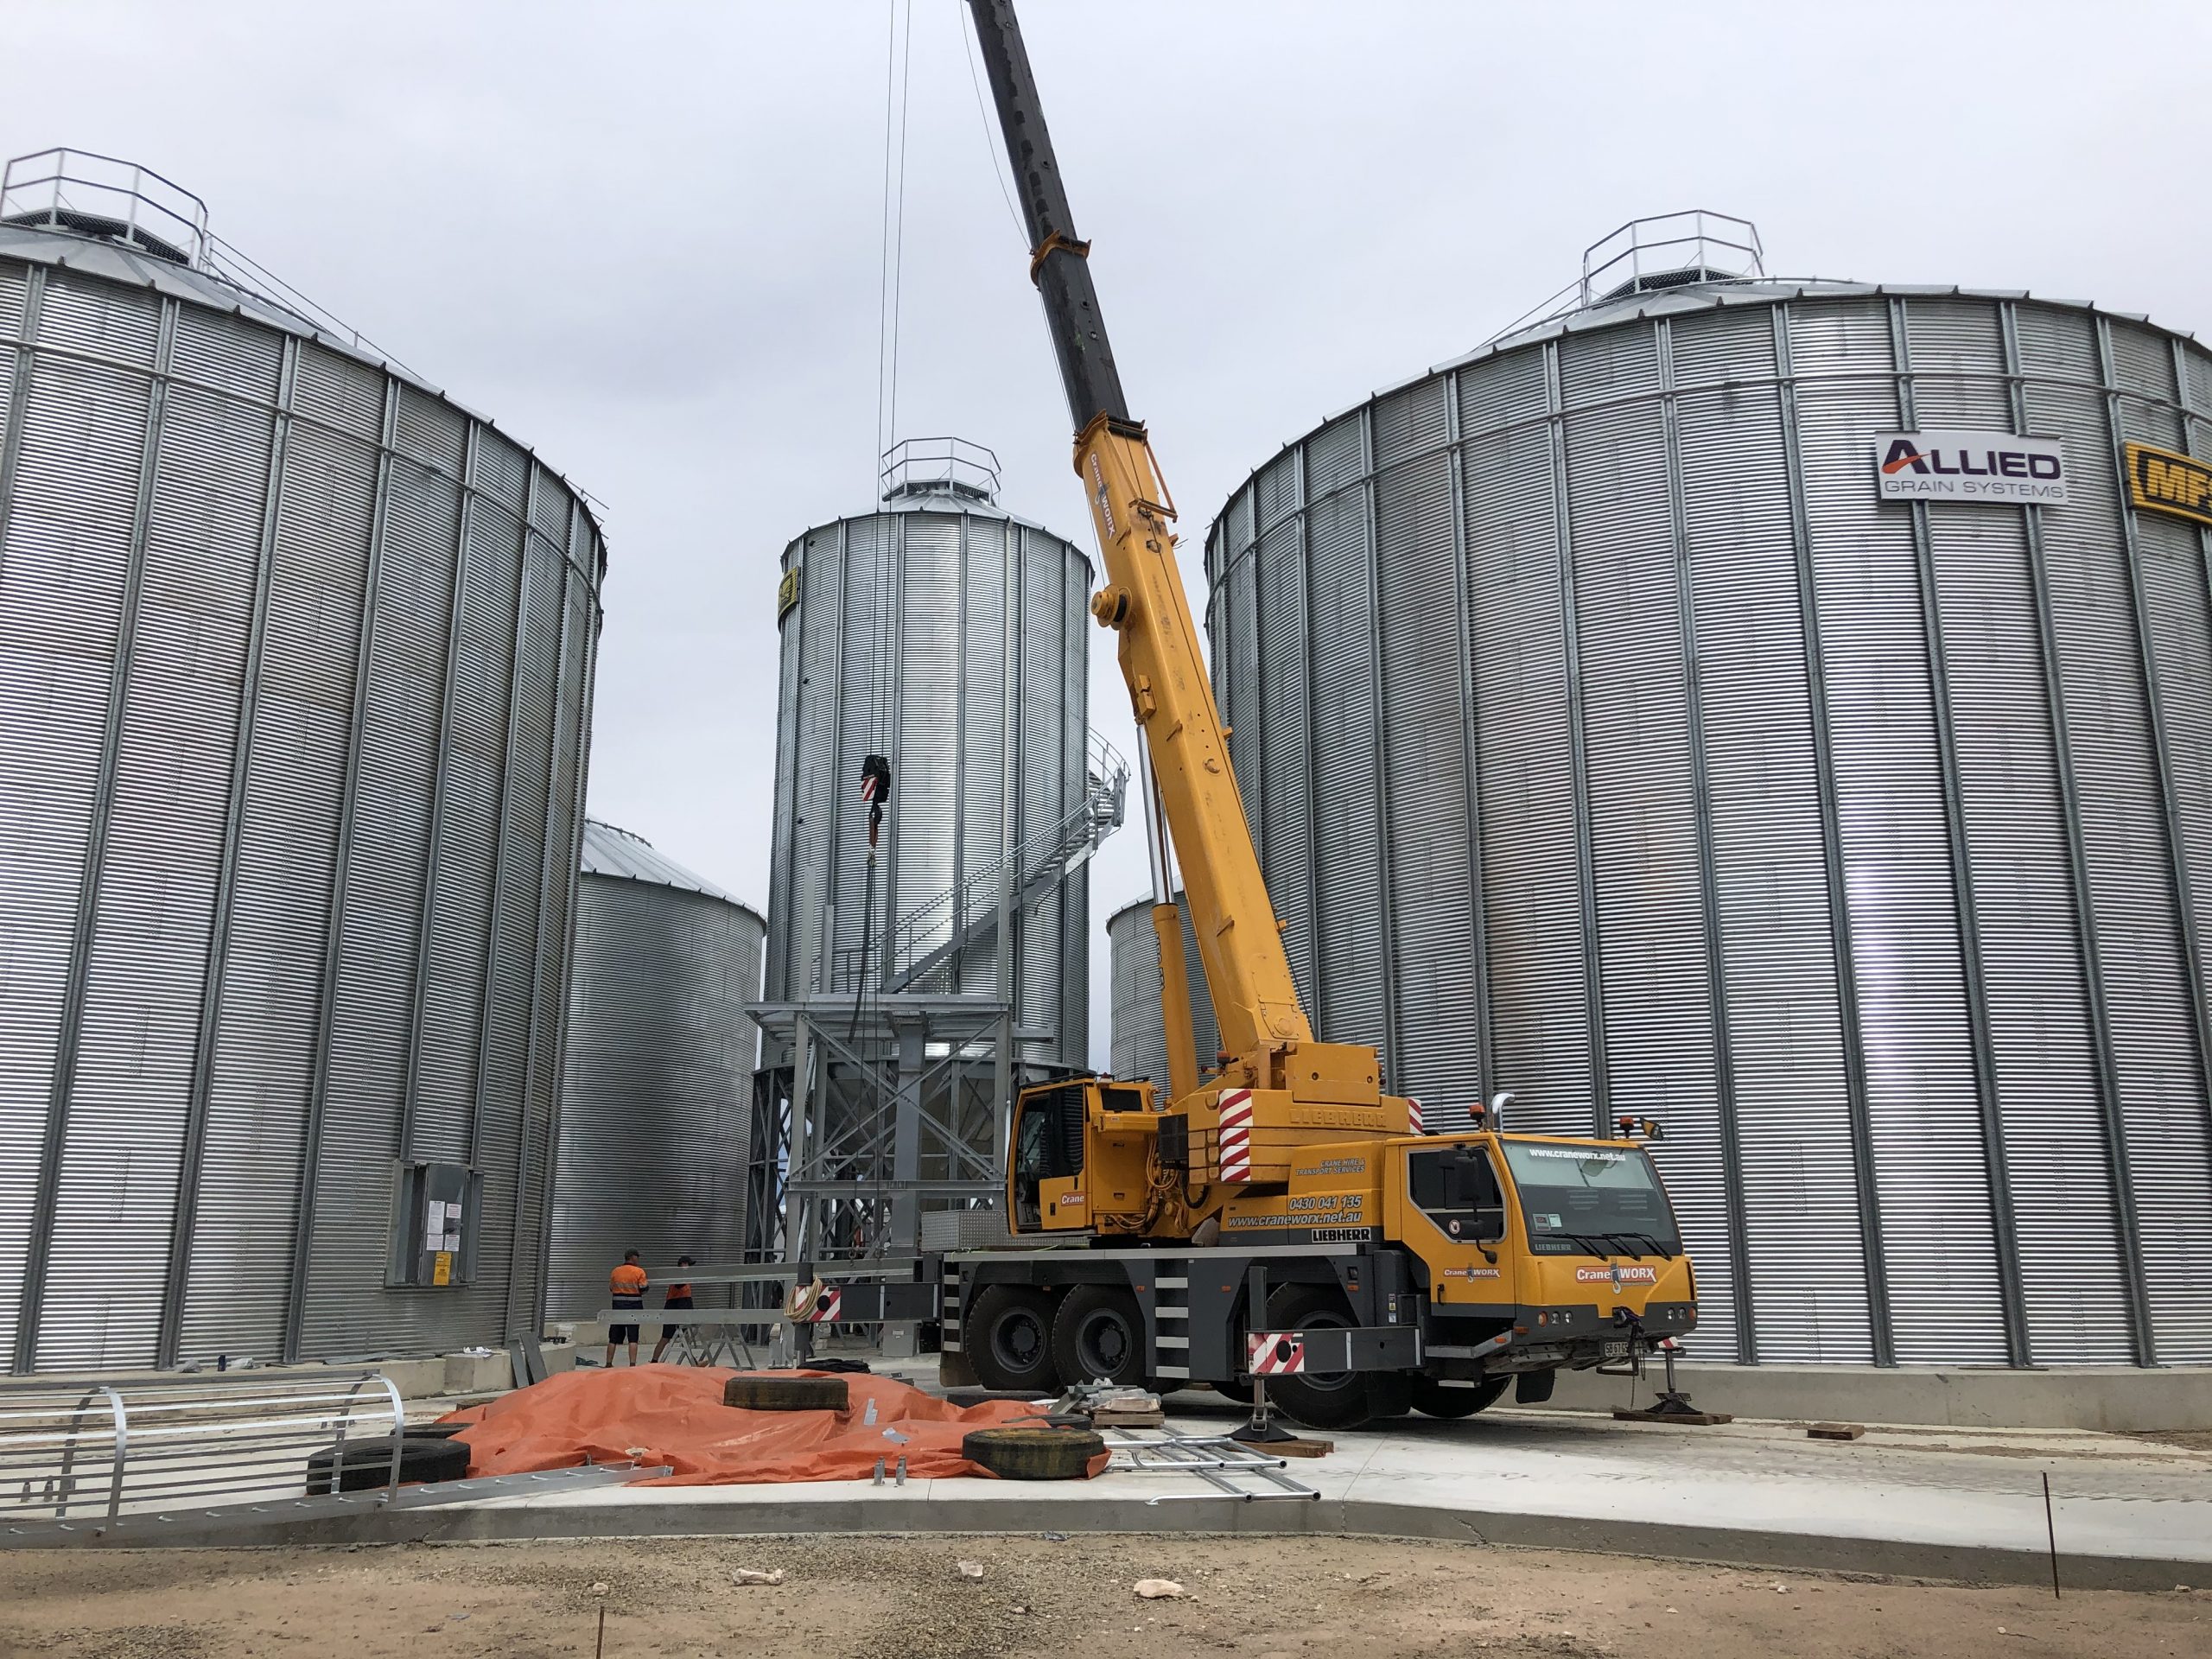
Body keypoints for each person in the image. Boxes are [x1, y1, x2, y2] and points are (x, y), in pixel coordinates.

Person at [650, 1255, 697, 1363]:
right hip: (674, 1309)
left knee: (684, 1337)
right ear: (683, 1264)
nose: (690, 1268)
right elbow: (679, 1285)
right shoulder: (678, 1276)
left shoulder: (684, 1277)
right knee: (666, 1338)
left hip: (680, 1309)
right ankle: (654, 1361)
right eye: (689, 1265)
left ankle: (694, 1361)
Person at [605, 1249, 647, 1369]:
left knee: (613, 1337)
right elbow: (644, 1288)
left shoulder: (616, 1271)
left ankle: (608, 1363)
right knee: (633, 1337)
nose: (638, 1259)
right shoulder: (639, 1271)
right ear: (632, 1257)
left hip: (618, 1307)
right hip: (634, 1307)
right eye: (637, 1257)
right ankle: (632, 1364)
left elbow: (611, 1288)